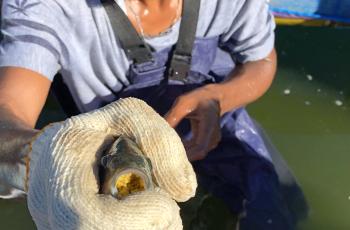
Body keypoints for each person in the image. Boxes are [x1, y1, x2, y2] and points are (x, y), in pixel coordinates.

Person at [0, 0, 307, 229]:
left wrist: (221, 98)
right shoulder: (44, 6)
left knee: (275, 209)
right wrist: (46, 156)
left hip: (216, 122)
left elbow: (262, 60)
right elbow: (6, 117)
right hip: (106, 148)